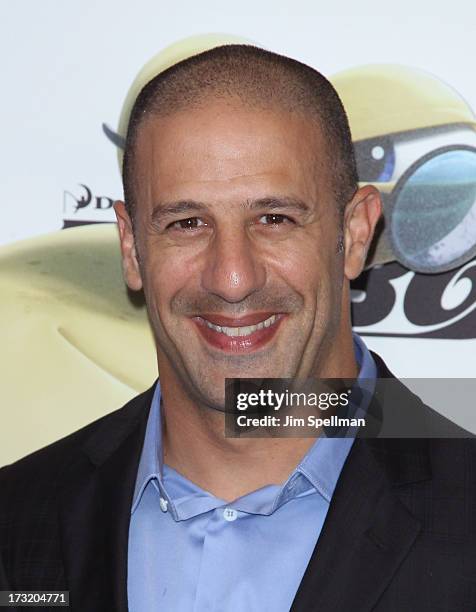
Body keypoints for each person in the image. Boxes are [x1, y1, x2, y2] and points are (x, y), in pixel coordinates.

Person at [1, 44, 475, 612]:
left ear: (354, 231)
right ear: (131, 247)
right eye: (187, 222)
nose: (231, 277)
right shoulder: (17, 518)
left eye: (274, 219)